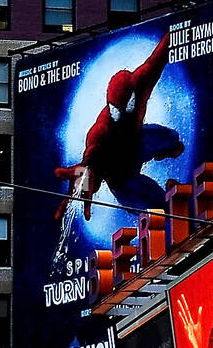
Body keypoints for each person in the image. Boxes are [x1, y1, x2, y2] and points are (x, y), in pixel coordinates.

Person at [53, 28, 185, 219]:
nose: (120, 114)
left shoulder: (141, 82)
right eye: (115, 109)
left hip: (137, 143)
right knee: (157, 208)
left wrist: (178, 30)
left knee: (173, 139)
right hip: (121, 176)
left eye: (124, 107)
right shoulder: (100, 131)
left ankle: (166, 151)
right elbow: (90, 161)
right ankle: (167, 201)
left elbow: (159, 56)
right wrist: (85, 178)